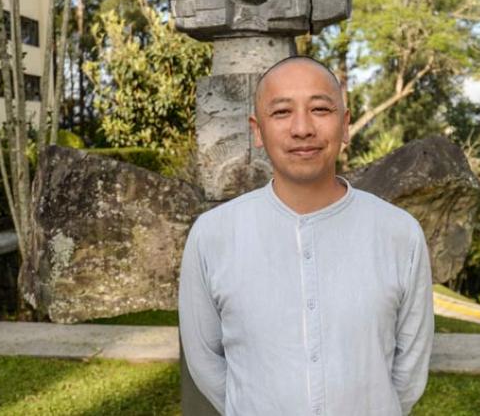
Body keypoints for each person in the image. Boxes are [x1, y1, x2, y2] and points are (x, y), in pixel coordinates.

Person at [179, 56, 434, 416]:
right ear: (257, 130)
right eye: (282, 112)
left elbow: (409, 367)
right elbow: (206, 361)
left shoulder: (399, 233)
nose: (302, 128)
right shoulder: (212, 236)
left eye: (320, 109)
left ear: (345, 125)